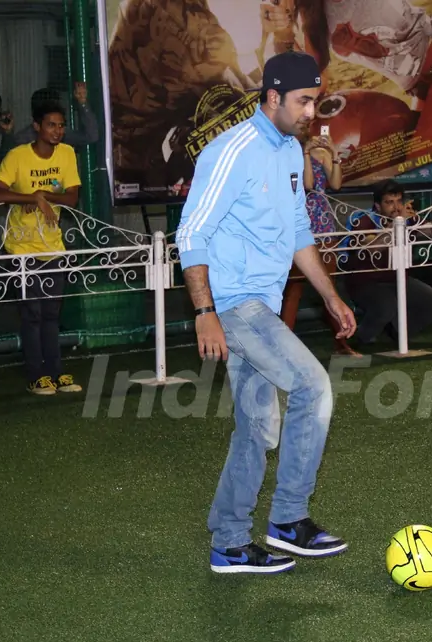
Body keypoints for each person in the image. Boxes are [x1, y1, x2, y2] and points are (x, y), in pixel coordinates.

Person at [175, 51, 357, 575]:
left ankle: (230, 544)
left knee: (256, 428)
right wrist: (204, 311)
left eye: (315, 101)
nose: (311, 112)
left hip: (264, 306)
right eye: (303, 101)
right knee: (313, 388)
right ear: (273, 97)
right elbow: (191, 233)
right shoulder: (230, 151)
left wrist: (330, 296)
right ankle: (288, 519)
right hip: (236, 304)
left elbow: (298, 230)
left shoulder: (289, 152)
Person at [0, 101, 84, 396]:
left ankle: (55, 372)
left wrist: (44, 195)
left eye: (61, 125)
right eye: (51, 125)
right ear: (36, 126)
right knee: (32, 314)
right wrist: (33, 198)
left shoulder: (66, 153)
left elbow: (71, 198)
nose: (57, 131)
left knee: (52, 314)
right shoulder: (18, 156)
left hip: (53, 247)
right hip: (22, 248)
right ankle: (36, 375)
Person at [280, 128, 360, 355]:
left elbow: (336, 184)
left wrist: (333, 151)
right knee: (294, 288)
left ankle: (342, 344)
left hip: (324, 222)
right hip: (299, 222)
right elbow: (308, 184)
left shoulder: (321, 152)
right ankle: (284, 348)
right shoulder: (285, 153)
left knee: (329, 285)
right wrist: (305, 154)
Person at [342, 179, 432, 345]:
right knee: (387, 306)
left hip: (397, 279)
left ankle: (398, 333)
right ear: (378, 206)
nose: (396, 207)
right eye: (389, 202)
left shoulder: (407, 218)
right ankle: (359, 338)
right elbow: (373, 248)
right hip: (365, 282)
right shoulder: (364, 220)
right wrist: (396, 225)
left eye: (399, 201)